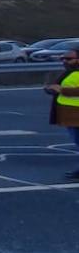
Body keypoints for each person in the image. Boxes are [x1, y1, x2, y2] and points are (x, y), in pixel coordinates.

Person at [49, 49, 79, 179]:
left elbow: (63, 89)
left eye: (69, 59)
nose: (65, 61)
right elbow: (55, 86)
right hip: (70, 114)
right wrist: (51, 89)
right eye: (63, 58)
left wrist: (62, 90)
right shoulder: (68, 73)